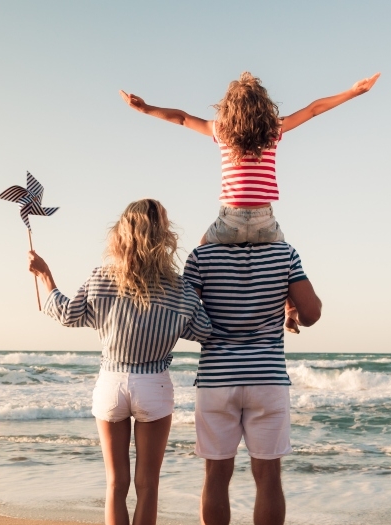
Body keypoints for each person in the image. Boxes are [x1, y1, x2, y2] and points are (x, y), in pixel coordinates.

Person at [27, 199, 211, 525]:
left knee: (116, 483)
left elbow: (69, 315)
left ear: (122, 233)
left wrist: (45, 276)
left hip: (111, 384)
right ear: (163, 236)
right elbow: (205, 330)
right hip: (155, 385)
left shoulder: (102, 278)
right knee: (148, 485)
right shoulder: (178, 288)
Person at [119, 71, 374, 334]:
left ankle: (188, 315)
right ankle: (290, 310)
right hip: (265, 221)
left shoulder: (220, 130)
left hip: (229, 220)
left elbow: (182, 118)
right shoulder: (273, 129)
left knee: (200, 255)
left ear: (228, 108)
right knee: (286, 266)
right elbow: (313, 110)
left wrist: (146, 109)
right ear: (264, 107)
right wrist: (352, 92)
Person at [181, 238, 322, 525]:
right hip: (266, 378)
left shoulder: (202, 255)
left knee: (215, 475)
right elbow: (313, 312)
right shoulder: (284, 253)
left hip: (216, 380)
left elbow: (184, 313)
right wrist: (289, 308)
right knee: (268, 476)